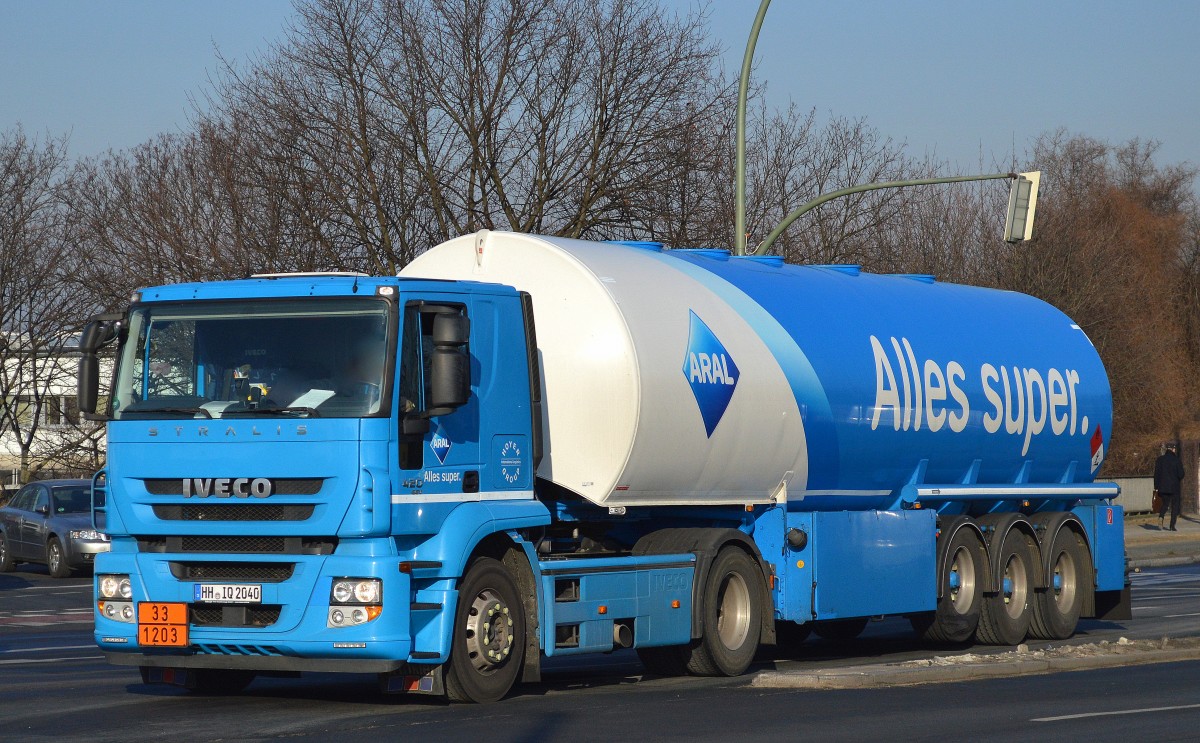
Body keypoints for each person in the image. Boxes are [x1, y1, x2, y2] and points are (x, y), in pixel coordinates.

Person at [1154, 442, 1186, 531]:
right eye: (1174, 449)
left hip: (1163, 487)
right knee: (1175, 506)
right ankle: (1172, 526)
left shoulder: (1160, 460)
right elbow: (1181, 474)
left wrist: (1156, 486)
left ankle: (1161, 516)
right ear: (1172, 449)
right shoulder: (1176, 460)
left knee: (1165, 504)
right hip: (1174, 487)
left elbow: (1156, 474)